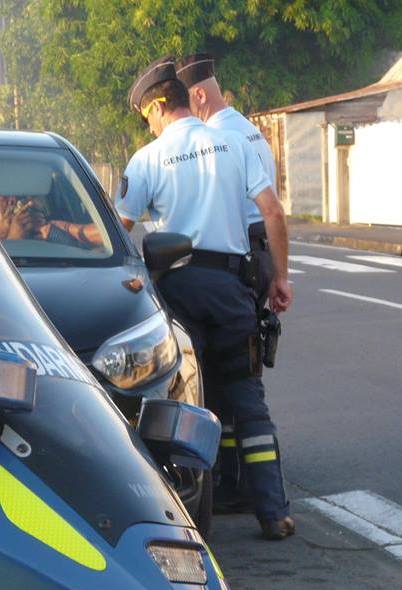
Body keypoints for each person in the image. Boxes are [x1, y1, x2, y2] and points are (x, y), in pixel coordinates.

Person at [116, 57, 295, 540]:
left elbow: (118, 232)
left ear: (157, 107)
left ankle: (189, 521)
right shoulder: (235, 141)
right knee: (247, 398)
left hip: (175, 293)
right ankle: (273, 513)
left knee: (185, 402)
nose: (148, 125)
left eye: (146, 116)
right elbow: (272, 213)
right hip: (231, 288)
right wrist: (280, 278)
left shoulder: (148, 160)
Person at [176, 52, 281, 515]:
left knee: (222, 379)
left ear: (199, 94)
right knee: (240, 371)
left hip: (234, 260)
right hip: (258, 257)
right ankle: (245, 485)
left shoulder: (215, 138)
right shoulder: (250, 130)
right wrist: (280, 273)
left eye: (188, 102)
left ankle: (228, 479)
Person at [0, 195, 105, 249]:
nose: (13, 200)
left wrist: (59, 232)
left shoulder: (46, 234)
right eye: (4, 195)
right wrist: (15, 240)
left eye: (18, 197)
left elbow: (103, 240)